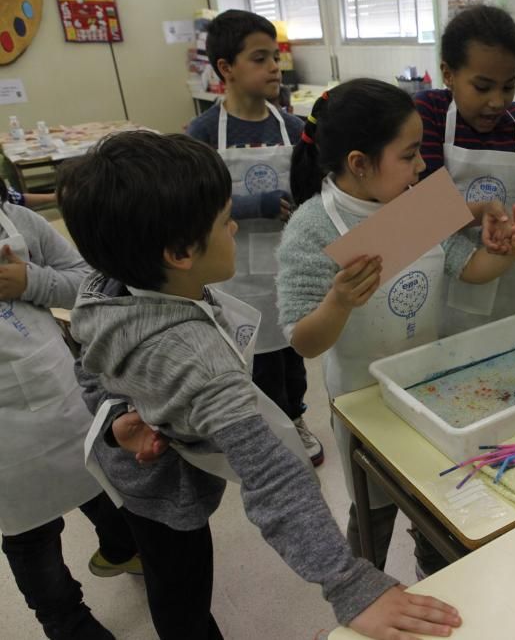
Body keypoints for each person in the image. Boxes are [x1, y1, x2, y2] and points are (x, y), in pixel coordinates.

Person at [59, 131, 462, 640]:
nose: (234, 227)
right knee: (181, 590)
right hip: (161, 482)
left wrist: (117, 415)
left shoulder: (103, 283)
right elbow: (273, 478)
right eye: (224, 221)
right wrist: (348, 583)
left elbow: (87, 356)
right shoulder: (200, 361)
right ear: (181, 252)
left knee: (172, 575)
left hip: (132, 455)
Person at [277, 79, 515, 578]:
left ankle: (434, 579)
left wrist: (503, 253)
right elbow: (304, 339)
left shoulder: (413, 205)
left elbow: (468, 266)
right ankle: (364, 593)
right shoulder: (314, 228)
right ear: (359, 163)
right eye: (410, 154)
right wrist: (337, 302)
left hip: (428, 390)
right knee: (373, 511)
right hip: (363, 403)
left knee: (437, 502)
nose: (422, 166)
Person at [0, 183, 141, 639]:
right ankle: (65, 618)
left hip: (55, 386)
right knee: (30, 534)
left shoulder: (19, 223)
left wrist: (31, 282)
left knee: (96, 478)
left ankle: (124, 547)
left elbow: (90, 281)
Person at [187, 9, 322, 466]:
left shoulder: (293, 127)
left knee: (292, 355)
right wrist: (251, 207)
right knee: (256, 362)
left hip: (288, 267)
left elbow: (312, 191)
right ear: (225, 68)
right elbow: (194, 207)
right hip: (237, 274)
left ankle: (296, 417)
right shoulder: (203, 134)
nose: (274, 68)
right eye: (260, 58)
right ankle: (272, 434)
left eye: (275, 57)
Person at [414, 5, 515, 337]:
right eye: (483, 87)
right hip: (445, 277)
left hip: (514, 278)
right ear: (448, 73)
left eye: (508, 86)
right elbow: (419, 211)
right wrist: (483, 210)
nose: (498, 102)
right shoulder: (428, 113)